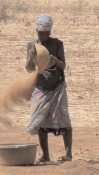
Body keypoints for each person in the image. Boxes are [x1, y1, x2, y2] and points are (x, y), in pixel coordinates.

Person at [25, 14, 72, 162]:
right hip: (41, 87)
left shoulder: (57, 44)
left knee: (63, 120)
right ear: (36, 32)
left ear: (50, 32)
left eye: (46, 33)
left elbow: (63, 66)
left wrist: (55, 60)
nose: (43, 36)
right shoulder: (32, 45)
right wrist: (31, 57)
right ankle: (45, 156)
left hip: (57, 87)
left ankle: (68, 155)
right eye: (41, 33)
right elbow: (28, 68)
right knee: (41, 122)